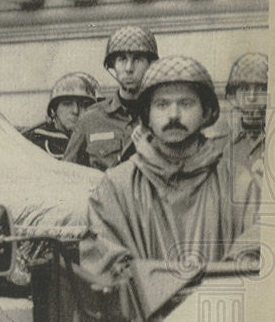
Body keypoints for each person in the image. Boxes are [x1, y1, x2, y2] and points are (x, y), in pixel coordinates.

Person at [81, 56, 260, 280]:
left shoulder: (240, 184)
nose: (174, 114)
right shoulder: (116, 188)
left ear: (206, 112)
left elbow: (254, 259)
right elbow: (104, 271)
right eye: (162, 104)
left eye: (186, 103)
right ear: (147, 115)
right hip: (145, 315)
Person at [64, 25, 158, 170]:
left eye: (137, 59)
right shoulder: (91, 119)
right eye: (122, 59)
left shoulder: (161, 116)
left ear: (150, 65)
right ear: (113, 65)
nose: (128, 68)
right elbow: (68, 174)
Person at [24, 72, 99, 159]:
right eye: (67, 104)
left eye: (83, 105)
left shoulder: (96, 141)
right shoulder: (35, 142)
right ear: (53, 110)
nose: (76, 111)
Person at [222, 52, 268, 180]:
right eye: (244, 89)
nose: (252, 97)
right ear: (234, 94)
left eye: (261, 89)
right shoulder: (223, 145)